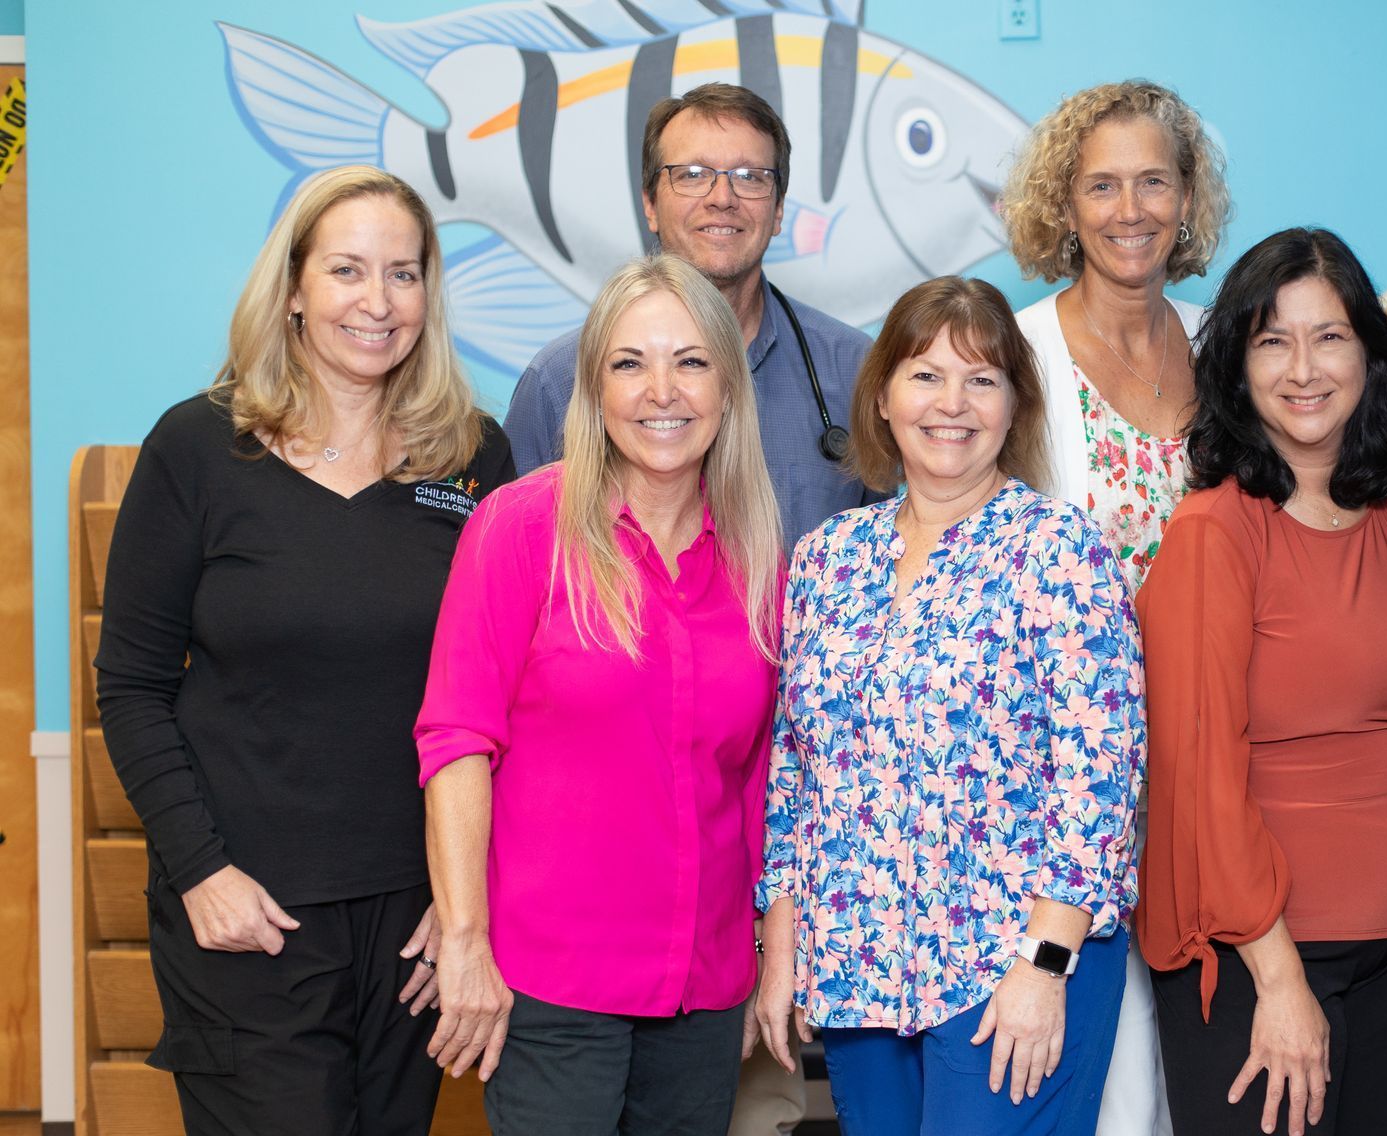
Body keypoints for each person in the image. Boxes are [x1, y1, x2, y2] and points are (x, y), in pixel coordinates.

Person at [94, 165, 515, 1135]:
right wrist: (202, 872)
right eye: (347, 270)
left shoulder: (473, 456)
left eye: (404, 274)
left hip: (413, 923)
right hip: (249, 913)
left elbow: (506, 696)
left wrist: (465, 899)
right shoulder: (197, 449)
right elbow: (132, 687)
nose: (379, 301)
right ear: (292, 287)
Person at [752, 277, 1144, 1136]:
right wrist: (780, 950)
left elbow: (1100, 782)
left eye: (982, 379)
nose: (952, 404)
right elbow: (791, 774)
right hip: (856, 962)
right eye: (926, 376)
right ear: (882, 397)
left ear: (1016, 404)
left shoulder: (1059, 550)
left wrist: (1044, 964)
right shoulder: (826, 559)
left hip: (1013, 968)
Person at [416, 254, 784, 1134]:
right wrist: (463, 941)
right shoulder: (519, 528)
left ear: (728, 390)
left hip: (703, 994)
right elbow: (456, 742)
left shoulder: (759, 560)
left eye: (691, 362)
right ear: (593, 390)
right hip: (550, 989)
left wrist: (762, 955)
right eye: (630, 363)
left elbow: (761, 781)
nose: (662, 391)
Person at [1135, 229, 1387, 1136]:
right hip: (1259, 955)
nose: (1303, 370)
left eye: (1330, 337)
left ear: (1370, 357)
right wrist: (1278, 980)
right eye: (1273, 341)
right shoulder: (1214, 533)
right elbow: (1198, 779)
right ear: (1237, 367)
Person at [1000, 78, 1230, 1136]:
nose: (1129, 209)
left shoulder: (1229, 347)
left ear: (1188, 199)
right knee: (1099, 1072)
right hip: (1066, 777)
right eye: (1101, 185)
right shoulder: (1013, 356)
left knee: (1202, 1061)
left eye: (1153, 181)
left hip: (1211, 756)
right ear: (1065, 202)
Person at [504, 81, 875, 547]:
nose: (722, 197)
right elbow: (513, 554)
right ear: (650, 204)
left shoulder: (853, 369)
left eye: (751, 176)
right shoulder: (557, 381)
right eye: (693, 174)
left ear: (779, 208)